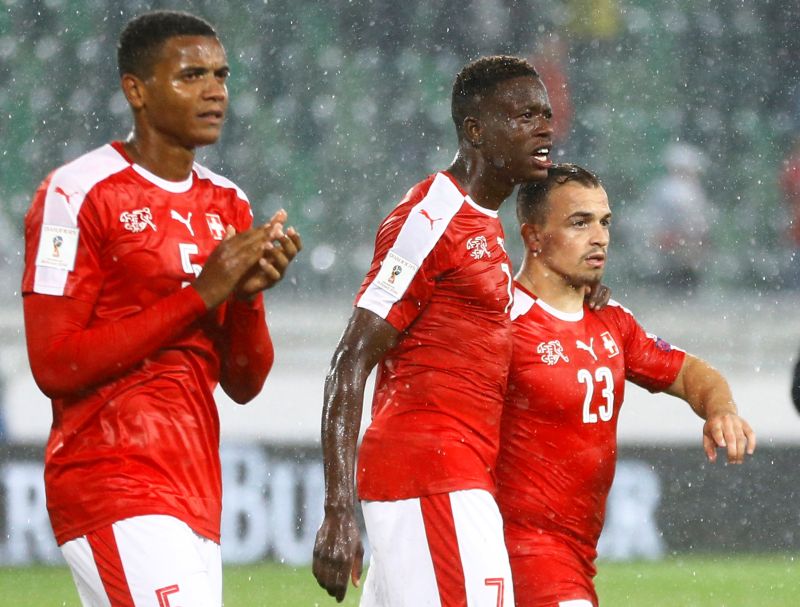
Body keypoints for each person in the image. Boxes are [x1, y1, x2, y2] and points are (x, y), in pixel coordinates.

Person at [21, 10, 301, 607]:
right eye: (191, 75)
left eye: (221, 75)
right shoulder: (77, 192)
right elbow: (54, 364)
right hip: (110, 477)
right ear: (137, 90)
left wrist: (246, 298)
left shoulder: (228, 203)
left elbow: (245, 383)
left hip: (194, 488)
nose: (214, 90)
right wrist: (201, 293)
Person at [311, 55, 556, 605]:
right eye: (524, 116)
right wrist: (337, 510)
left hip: (442, 477)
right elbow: (350, 358)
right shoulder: (431, 217)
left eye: (545, 114)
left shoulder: (482, 224)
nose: (544, 128)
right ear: (476, 130)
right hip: (433, 476)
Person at [496, 163, 756, 607]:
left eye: (605, 222)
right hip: (518, 551)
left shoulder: (612, 321)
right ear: (533, 236)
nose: (599, 237)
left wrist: (721, 410)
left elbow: (690, 372)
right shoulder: (500, 322)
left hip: (576, 555)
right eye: (580, 223)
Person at [634, 141, 714, 291]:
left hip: (676, 244)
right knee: (679, 278)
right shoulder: (677, 191)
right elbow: (694, 222)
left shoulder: (668, 189)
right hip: (676, 243)